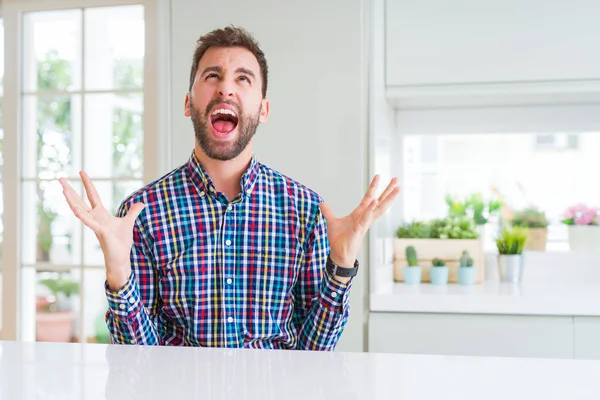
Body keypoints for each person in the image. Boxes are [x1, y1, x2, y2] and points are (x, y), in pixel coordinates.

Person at [59, 25, 399, 350]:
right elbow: (140, 359)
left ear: (263, 110)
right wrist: (118, 274)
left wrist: (340, 265)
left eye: (243, 79)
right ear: (188, 103)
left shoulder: (306, 211)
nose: (226, 88)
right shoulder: (142, 214)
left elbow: (313, 355)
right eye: (212, 76)